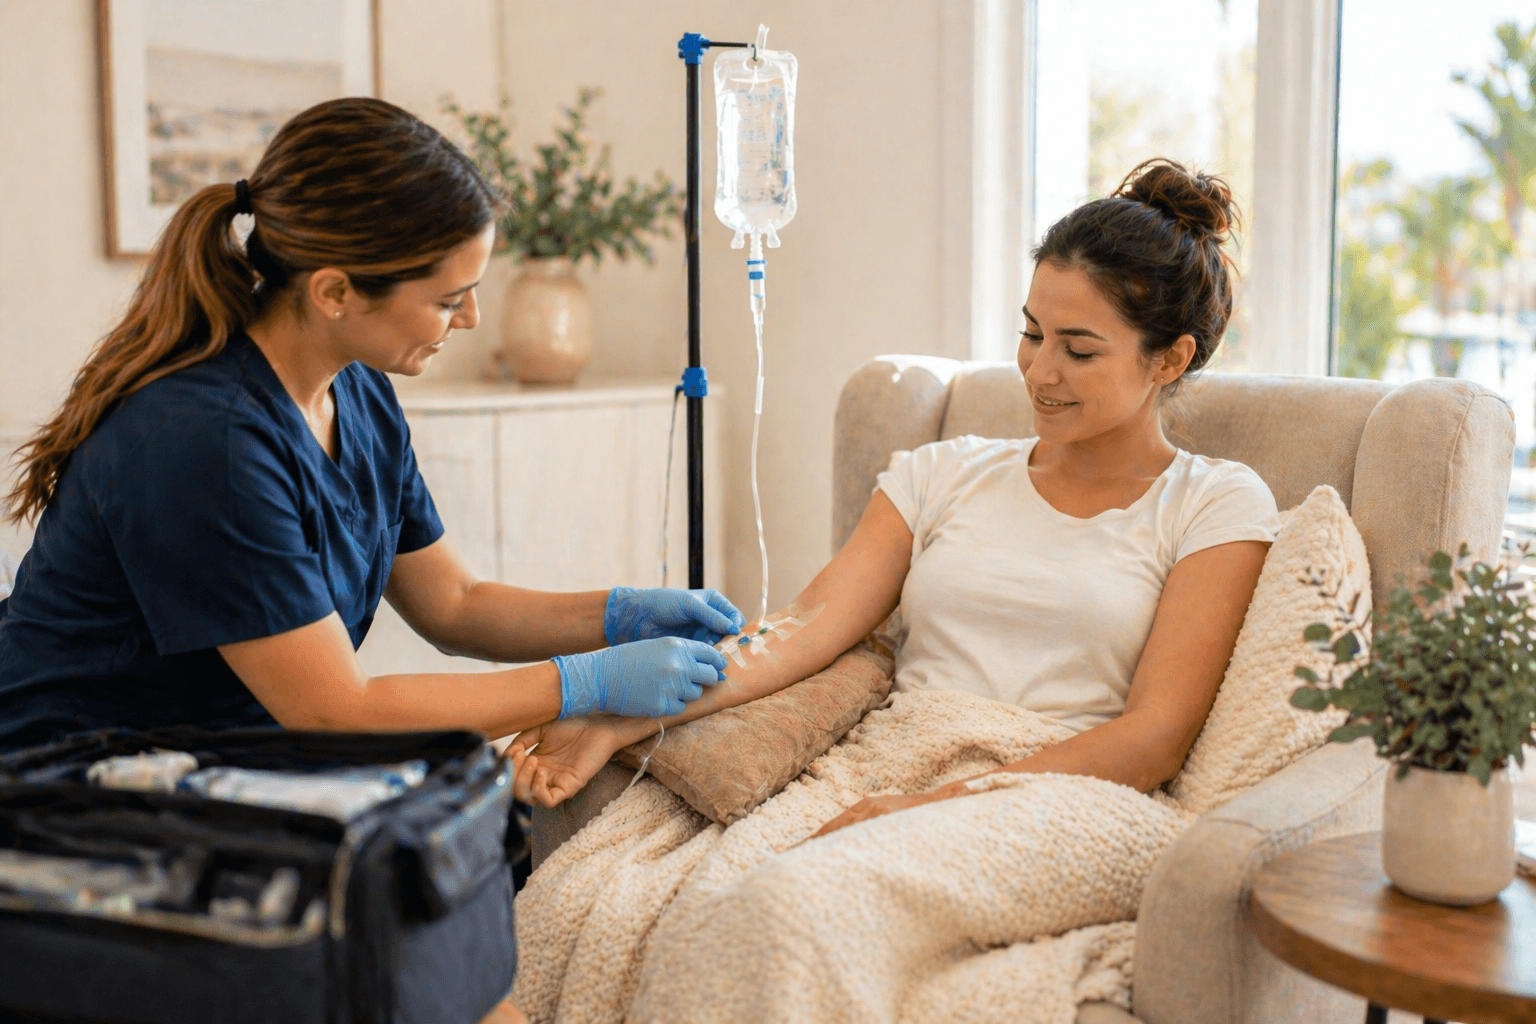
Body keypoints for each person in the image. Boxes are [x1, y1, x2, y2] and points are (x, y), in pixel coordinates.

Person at [508, 158, 1281, 839]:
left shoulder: (1213, 504)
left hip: (1045, 798)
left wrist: (939, 808)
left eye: (1078, 350)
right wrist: (617, 718)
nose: (1040, 371)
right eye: (1032, 333)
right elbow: (799, 631)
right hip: (885, 766)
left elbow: (1153, 739)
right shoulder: (942, 474)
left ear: (1169, 359)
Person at [0, 97, 742, 752]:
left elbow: (454, 604)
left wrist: (620, 616)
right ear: (335, 292)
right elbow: (337, 712)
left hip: (214, 753)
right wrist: (585, 683)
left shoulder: (358, 393)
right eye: (448, 300)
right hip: (63, 768)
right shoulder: (206, 442)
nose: (471, 318)